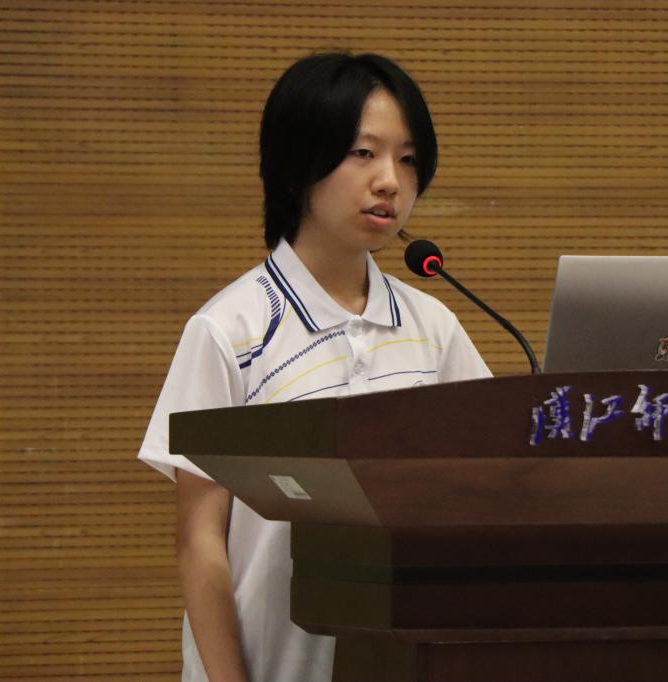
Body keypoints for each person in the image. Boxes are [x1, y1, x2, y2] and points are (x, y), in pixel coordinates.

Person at [137, 52, 491, 682]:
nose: (390, 181)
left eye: (409, 160)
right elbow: (199, 539)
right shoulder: (231, 330)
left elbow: (490, 483)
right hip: (272, 664)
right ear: (299, 162)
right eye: (364, 153)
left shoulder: (433, 328)